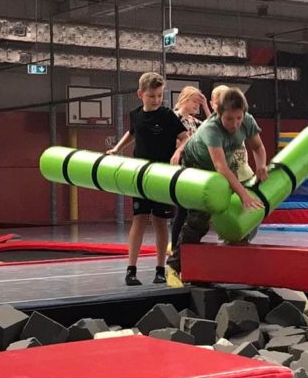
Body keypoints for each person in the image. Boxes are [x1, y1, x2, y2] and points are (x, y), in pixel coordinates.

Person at [166, 87, 269, 287]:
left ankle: (228, 263)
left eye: (238, 118)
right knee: (199, 219)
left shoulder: (247, 121)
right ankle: (173, 267)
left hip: (224, 165)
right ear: (219, 114)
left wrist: (261, 166)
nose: (235, 124)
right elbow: (220, 166)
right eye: (229, 119)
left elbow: (257, 147)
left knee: (235, 209)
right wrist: (243, 195)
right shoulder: (211, 129)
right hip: (197, 165)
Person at [105, 72, 188, 286]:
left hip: (161, 176)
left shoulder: (168, 116)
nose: (156, 100)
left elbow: (185, 137)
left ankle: (160, 269)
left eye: (160, 95)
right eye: (152, 96)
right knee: (139, 218)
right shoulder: (136, 115)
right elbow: (132, 132)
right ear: (140, 94)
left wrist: (178, 152)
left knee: (160, 221)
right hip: (140, 175)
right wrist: (116, 148)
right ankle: (131, 270)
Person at [169, 86, 210, 251]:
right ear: (185, 99)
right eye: (194, 101)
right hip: (180, 165)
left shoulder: (194, 121)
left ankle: (184, 245)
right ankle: (175, 246)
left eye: (198, 103)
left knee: (189, 210)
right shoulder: (173, 117)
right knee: (182, 209)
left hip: (194, 167)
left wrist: (206, 105)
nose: (196, 106)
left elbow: (213, 125)